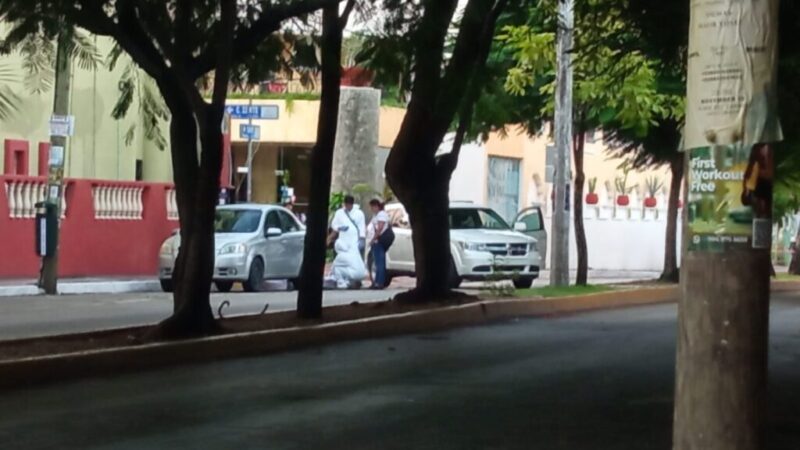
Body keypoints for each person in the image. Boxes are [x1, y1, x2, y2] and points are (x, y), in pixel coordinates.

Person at [368, 197, 392, 289]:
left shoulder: (381, 215)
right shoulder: (377, 215)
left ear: (376, 206)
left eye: (372, 207)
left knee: (380, 262)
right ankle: (376, 281)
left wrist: (373, 239)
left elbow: (380, 228)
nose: (371, 209)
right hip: (376, 241)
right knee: (378, 262)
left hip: (379, 241)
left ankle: (379, 282)